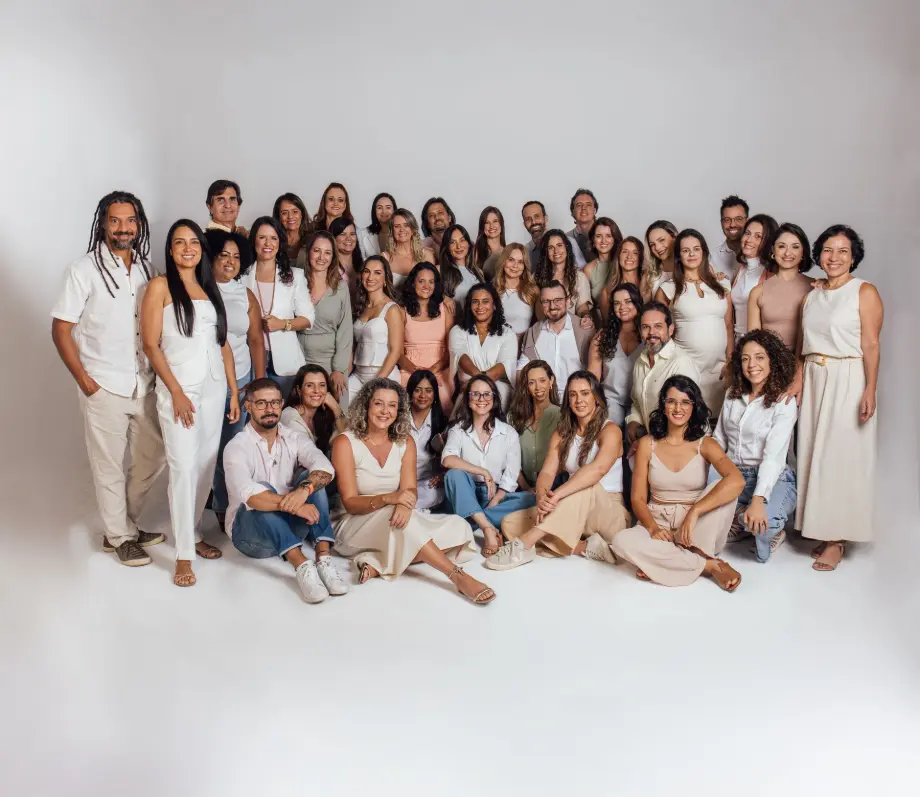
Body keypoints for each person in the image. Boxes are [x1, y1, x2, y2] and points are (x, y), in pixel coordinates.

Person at [51, 191, 165, 567]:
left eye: (130, 221)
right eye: (115, 221)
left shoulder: (148, 269)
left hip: (143, 383)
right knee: (109, 466)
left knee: (153, 457)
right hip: (103, 384)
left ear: (139, 225)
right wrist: (85, 380)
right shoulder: (83, 270)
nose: (123, 228)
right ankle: (119, 537)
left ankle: (123, 526)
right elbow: (61, 329)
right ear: (103, 224)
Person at [141, 219, 241, 587]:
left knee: (204, 464)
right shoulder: (160, 286)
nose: (188, 248)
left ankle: (193, 531)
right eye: (180, 242)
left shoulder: (207, 288)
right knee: (183, 466)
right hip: (180, 386)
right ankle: (183, 554)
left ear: (201, 248)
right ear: (170, 250)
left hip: (214, 386)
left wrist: (233, 389)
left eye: (194, 242)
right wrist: (176, 392)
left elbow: (222, 343)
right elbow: (150, 344)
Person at [332, 378, 494, 604]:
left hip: (394, 518)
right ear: (366, 406)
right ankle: (457, 576)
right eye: (378, 403)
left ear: (399, 411)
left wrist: (404, 503)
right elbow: (350, 503)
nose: (385, 411)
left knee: (460, 527)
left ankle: (379, 563)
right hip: (353, 524)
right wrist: (392, 499)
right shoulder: (345, 442)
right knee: (401, 523)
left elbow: (410, 489)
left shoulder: (405, 441)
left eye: (392, 405)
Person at [792, 225, 882, 571]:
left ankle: (838, 539)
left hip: (848, 377)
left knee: (842, 456)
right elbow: (802, 345)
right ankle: (822, 527)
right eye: (828, 250)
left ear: (854, 256)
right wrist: (799, 380)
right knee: (814, 454)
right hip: (815, 377)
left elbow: (871, 344)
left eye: (843, 251)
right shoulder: (812, 295)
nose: (834, 257)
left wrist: (870, 388)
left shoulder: (864, 292)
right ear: (819, 255)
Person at [610, 376, 745, 590]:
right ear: (663, 406)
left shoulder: (706, 444)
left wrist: (695, 512)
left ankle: (665, 562)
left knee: (724, 488)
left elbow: (737, 480)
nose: (678, 408)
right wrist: (653, 528)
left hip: (696, 527)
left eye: (685, 402)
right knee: (621, 541)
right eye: (671, 401)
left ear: (694, 407)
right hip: (658, 521)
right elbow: (638, 499)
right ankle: (708, 565)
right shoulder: (647, 444)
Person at [487, 370, 632, 570]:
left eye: (585, 393)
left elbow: (596, 470)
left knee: (585, 485)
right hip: (573, 511)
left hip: (608, 513)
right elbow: (547, 472)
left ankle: (525, 544)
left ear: (596, 398)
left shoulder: (610, 431)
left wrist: (556, 496)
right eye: (573, 395)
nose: (579, 400)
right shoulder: (562, 433)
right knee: (509, 524)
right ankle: (584, 547)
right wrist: (542, 499)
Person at [223, 377, 348, 603]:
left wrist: (304, 490)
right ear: (248, 406)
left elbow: (325, 467)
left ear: (281, 404)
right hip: (251, 537)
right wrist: (295, 506)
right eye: (261, 403)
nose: (269, 409)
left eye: (274, 403)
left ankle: (323, 558)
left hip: (292, 527)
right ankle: (302, 565)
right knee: (261, 490)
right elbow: (250, 496)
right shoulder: (237, 446)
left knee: (311, 480)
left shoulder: (293, 438)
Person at [714, 330, 798, 562]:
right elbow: (719, 440)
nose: (752, 365)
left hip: (773, 477)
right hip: (734, 475)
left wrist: (758, 500)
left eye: (760, 357)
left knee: (764, 523)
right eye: (745, 358)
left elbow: (773, 458)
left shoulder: (784, 402)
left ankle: (761, 524)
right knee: (700, 511)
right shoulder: (732, 395)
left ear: (772, 360)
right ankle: (742, 517)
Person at [204, 229, 266, 533]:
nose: (230, 261)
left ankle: (227, 504)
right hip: (207, 380)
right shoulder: (200, 289)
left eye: (236, 256)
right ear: (212, 257)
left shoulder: (245, 294)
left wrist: (259, 383)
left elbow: (255, 340)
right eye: (224, 255)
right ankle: (212, 503)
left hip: (240, 381)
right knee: (208, 446)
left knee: (232, 446)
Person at [442, 375, 537, 556]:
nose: (481, 399)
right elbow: (448, 459)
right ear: (468, 399)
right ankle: (488, 528)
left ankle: (473, 518)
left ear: (494, 399)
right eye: (476, 394)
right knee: (453, 475)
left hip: (493, 495)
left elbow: (511, 475)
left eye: (487, 394)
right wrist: (482, 471)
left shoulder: (508, 433)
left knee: (532, 499)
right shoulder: (458, 430)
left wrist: (496, 500)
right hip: (465, 492)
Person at [655, 229, 733, 416]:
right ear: (678, 256)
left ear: (704, 252)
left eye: (696, 249)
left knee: (718, 422)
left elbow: (729, 325)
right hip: (685, 367)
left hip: (719, 369)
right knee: (688, 419)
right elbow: (658, 331)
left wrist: (730, 362)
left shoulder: (722, 285)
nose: (691, 254)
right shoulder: (668, 288)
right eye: (685, 250)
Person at [241, 216, 314, 397]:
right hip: (249, 358)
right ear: (254, 241)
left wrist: (282, 324)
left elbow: (308, 319)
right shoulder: (241, 276)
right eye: (262, 237)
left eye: (273, 238)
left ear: (280, 243)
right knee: (254, 408)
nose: (268, 243)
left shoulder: (295, 276)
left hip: (285, 361)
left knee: (284, 409)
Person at [625, 302, 701, 451]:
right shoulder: (640, 361)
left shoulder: (681, 363)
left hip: (678, 448)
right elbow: (637, 401)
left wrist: (653, 445)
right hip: (651, 444)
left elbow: (687, 413)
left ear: (670, 330)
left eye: (658, 326)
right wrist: (633, 420)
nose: (651, 333)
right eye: (646, 327)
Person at [298, 230, 352, 404]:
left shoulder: (340, 287)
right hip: (298, 360)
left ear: (333, 257)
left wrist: (339, 369)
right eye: (317, 251)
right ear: (308, 252)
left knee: (337, 412)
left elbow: (346, 330)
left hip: (331, 361)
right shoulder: (297, 283)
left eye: (327, 252)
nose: (322, 257)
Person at [519, 281, 592, 402]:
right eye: (546, 301)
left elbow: (595, 374)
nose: (552, 306)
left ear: (567, 301)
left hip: (576, 402)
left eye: (558, 300)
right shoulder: (533, 333)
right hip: (543, 402)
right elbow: (521, 371)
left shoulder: (585, 330)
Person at [449, 282, 518, 407]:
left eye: (485, 301)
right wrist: (474, 385)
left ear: (494, 305)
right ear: (469, 306)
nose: (480, 306)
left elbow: (504, 365)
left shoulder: (508, 334)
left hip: (497, 387)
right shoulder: (457, 331)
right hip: (467, 389)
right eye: (475, 302)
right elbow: (461, 356)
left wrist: (475, 383)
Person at [398, 263, 455, 412]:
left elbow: (451, 350)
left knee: (443, 400)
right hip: (410, 369)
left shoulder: (446, 309)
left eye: (431, 282)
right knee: (405, 403)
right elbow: (398, 354)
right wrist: (417, 372)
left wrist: (431, 371)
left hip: (439, 369)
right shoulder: (401, 311)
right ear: (413, 283)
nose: (426, 286)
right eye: (421, 281)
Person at [747, 222, 814, 349]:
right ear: (773, 250)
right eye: (782, 246)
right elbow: (753, 343)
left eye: (795, 247)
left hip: (809, 360)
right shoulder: (757, 292)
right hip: (770, 360)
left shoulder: (815, 288)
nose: (788, 253)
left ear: (803, 252)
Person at [589, 283, 645, 426]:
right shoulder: (602, 337)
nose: (622, 307)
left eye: (628, 301)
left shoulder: (648, 335)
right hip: (610, 400)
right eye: (617, 303)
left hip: (641, 401)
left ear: (637, 303)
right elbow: (592, 378)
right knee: (609, 430)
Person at [349, 256, 403, 400]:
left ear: (385, 279)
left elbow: (396, 351)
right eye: (367, 271)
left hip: (384, 375)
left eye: (377, 272)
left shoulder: (392, 309)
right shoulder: (360, 307)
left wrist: (378, 382)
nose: (370, 277)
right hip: (358, 374)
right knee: (342, 402)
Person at [507, 360, 561, 491]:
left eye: (542, 380)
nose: (538, 387)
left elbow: (564, 460)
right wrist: (526, 488)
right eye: (531, 382)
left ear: (551, 381)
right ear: (526, 386)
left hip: (554, 487)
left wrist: (542, 489)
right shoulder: (514, 417)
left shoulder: (563, 416)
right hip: (521, 488)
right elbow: (510, 458)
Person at [281, 364, 347, 458]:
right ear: (299, 390)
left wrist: (336, 408)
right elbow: (309, 457)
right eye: (309, 385)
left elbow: (349, 442)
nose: (316, 390)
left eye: (322, 385)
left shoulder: (323, 414)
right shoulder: (290, 418)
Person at [406, 369, 450, 511]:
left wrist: (443, 475)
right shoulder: (398, 419)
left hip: (427, 484)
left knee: (428, 497)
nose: (423, 395)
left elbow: (453, 459)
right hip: (398, 481)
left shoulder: (443, 424)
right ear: (410, 393)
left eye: (428, 391)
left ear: (435, 394)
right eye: (417, 390)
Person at [731, 214, 778, 340]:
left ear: (767, 242)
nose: (749, 240)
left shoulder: (772, 273)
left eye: (758, 236)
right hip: (737, 340)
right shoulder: (740, 270)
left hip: (757, 343)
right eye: (747, 233)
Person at [533, 229, 592, 320]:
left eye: (559, 245)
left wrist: (585, 317)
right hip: (544, 325)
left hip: (572, 325)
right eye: (551, 247)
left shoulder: (579, 277)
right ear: (546, 252)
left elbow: (582, 307)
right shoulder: (536, 277)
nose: (556, 251)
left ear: (566, 248)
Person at [598, 235, 653, 321]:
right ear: (618, 256)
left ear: (641, 258)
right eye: (625, 252)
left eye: (635, 253)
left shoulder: (650, 285)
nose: (629, 256)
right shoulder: (607, 291)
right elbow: (607, 324)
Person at [492, 243, 538, 338]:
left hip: (524, 344)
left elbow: (541, 323)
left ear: (524, 266)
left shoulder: (532, 290)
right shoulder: (491, 290)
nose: (515, 266)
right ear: (503, 261)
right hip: (497, 343)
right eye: (511, 260)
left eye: (520, 262)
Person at [382, 208, 435, 289]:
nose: (402, 230)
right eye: (397, 226)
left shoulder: (427, 254)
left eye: (406, 225)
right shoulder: (385, 258)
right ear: (392, 231)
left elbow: (433, 287)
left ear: (413, 229)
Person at [438, 224, 485, 309]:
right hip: (456, 317)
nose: (458, 246)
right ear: (447, 247)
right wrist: (444, 297)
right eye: (452, 242)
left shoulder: (478, 272)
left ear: (468, 244)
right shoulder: (439, 270)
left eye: (462, 240)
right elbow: (425, 291)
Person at [582, 216, 623, 306]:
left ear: (615, 239)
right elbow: (586, 303)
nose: (603, 241)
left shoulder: (624, 263)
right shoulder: (588, 269)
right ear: (593, 240)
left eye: (608, 236)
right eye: (598, 236)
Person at [711, 195, 750, 281]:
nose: (732, 225)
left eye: (739, 219)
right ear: (721, 223)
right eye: (727, 220)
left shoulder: (759, 255)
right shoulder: (711, 258)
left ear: (747, 221)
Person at [330, 216, 364, 310]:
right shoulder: (328, 267)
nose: (349, 238)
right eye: (343, 234)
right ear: (334, 238)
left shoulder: (364, 265)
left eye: (352, 234)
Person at [272, 192, 313, 270]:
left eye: (295, 212)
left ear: (302, 214)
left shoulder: (314, 239)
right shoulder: (272, 240)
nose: (290, 217)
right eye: (284, 213)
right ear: (278, 217)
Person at [567, 188, 598, 268]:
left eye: (588, 204)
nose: (584, 208)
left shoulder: (607, 236)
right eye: (579, 205)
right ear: (572, 212)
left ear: (594, 211)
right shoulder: (565, 239)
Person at [645, 220, 678, 295]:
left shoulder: (692, 269)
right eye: (652, 244)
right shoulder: (650, 276)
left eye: (661, 240)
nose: (657, 247)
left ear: (675, 238)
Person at [358, 191, 396, 257]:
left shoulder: (401, 233)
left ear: (394, 210)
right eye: (379, 208)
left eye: (388, 207)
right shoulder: (362, 234)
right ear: (374, 211)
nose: (384, 211)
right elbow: (360, 260)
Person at [473, 206, 506, 279]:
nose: (491, 226)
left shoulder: (508, 251)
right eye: (487, 222)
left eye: (495, 221)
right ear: (482, 227)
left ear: (501, 224)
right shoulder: (475, 251)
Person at [521, 200, 548, 273]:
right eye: (528, 219)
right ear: (524, 224)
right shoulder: (524, 252)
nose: (533, 222)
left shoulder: (565, 243)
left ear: (545, 218)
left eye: (537, 216)